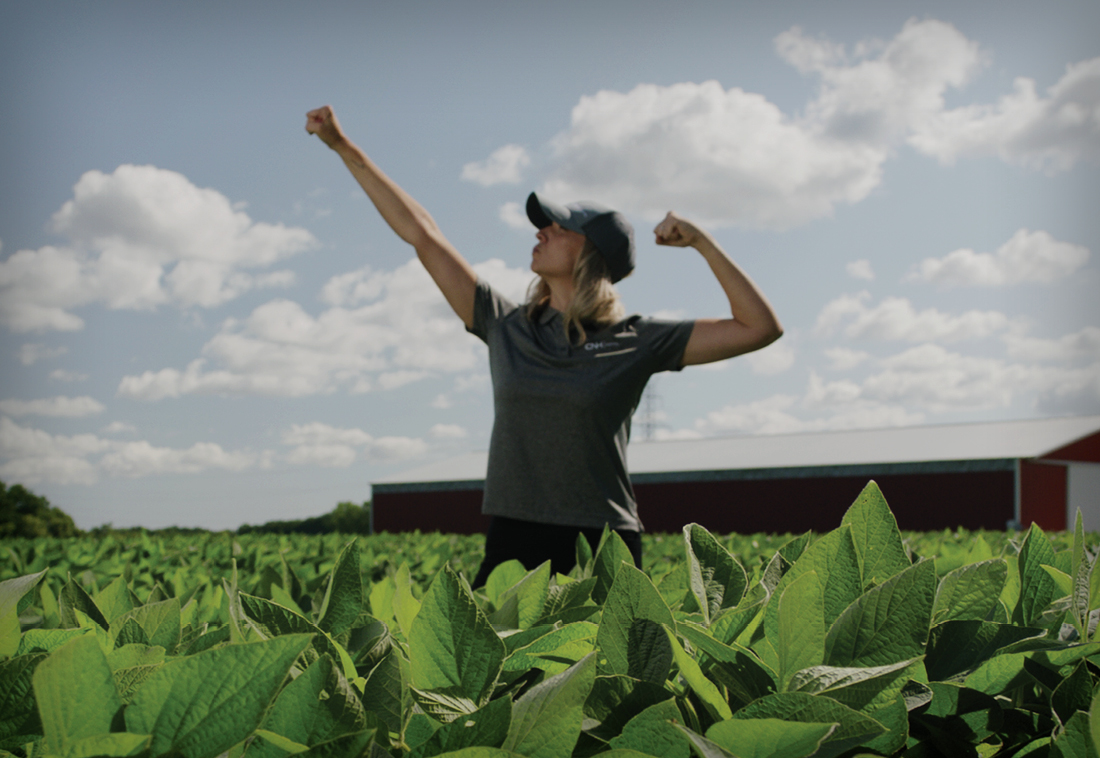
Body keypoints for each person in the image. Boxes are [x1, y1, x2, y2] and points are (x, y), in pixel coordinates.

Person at [306, 105, 783, 587]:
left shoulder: (637, 339)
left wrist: (702, 242)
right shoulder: (503, 324)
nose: (541, 232)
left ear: (592, 251)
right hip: (514, 536)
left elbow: (759, 328)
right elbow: (422, 234)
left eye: (557, 227)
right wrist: (343, 147)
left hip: (603, 542)